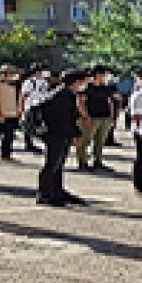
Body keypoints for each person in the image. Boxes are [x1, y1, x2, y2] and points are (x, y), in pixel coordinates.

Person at [37, 70, 88, 207]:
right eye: (83, 81)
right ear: (76, 82)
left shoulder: (66, 94)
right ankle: (45, 194)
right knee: (52, 164)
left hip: (59, 133)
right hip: (55, 133)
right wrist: (74, 135)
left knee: (58, 164)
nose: (85, 84)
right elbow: (64, 119)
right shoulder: (62, 95)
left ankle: (57, 191)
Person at [76, 66, 116, 171]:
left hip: (104, 117)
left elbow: (110, 101)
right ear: (97, 74)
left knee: (100, 141)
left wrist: (112, 117)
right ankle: (82, 162)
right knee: (85, 141)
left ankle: (97, 161)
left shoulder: (105, 87)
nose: (105, 76)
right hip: (90, 117)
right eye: (103, 74)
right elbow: (80, 102)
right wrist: (85, 116)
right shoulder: (86, 87)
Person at [17, 64, 50, 154]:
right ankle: (28, 144)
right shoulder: (29, 82)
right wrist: (21, 108)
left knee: (39, 126)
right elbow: (23, 95)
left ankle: (41, 143)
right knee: (29, 126)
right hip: (31, 106)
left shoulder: (44, 82)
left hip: (41, 105)